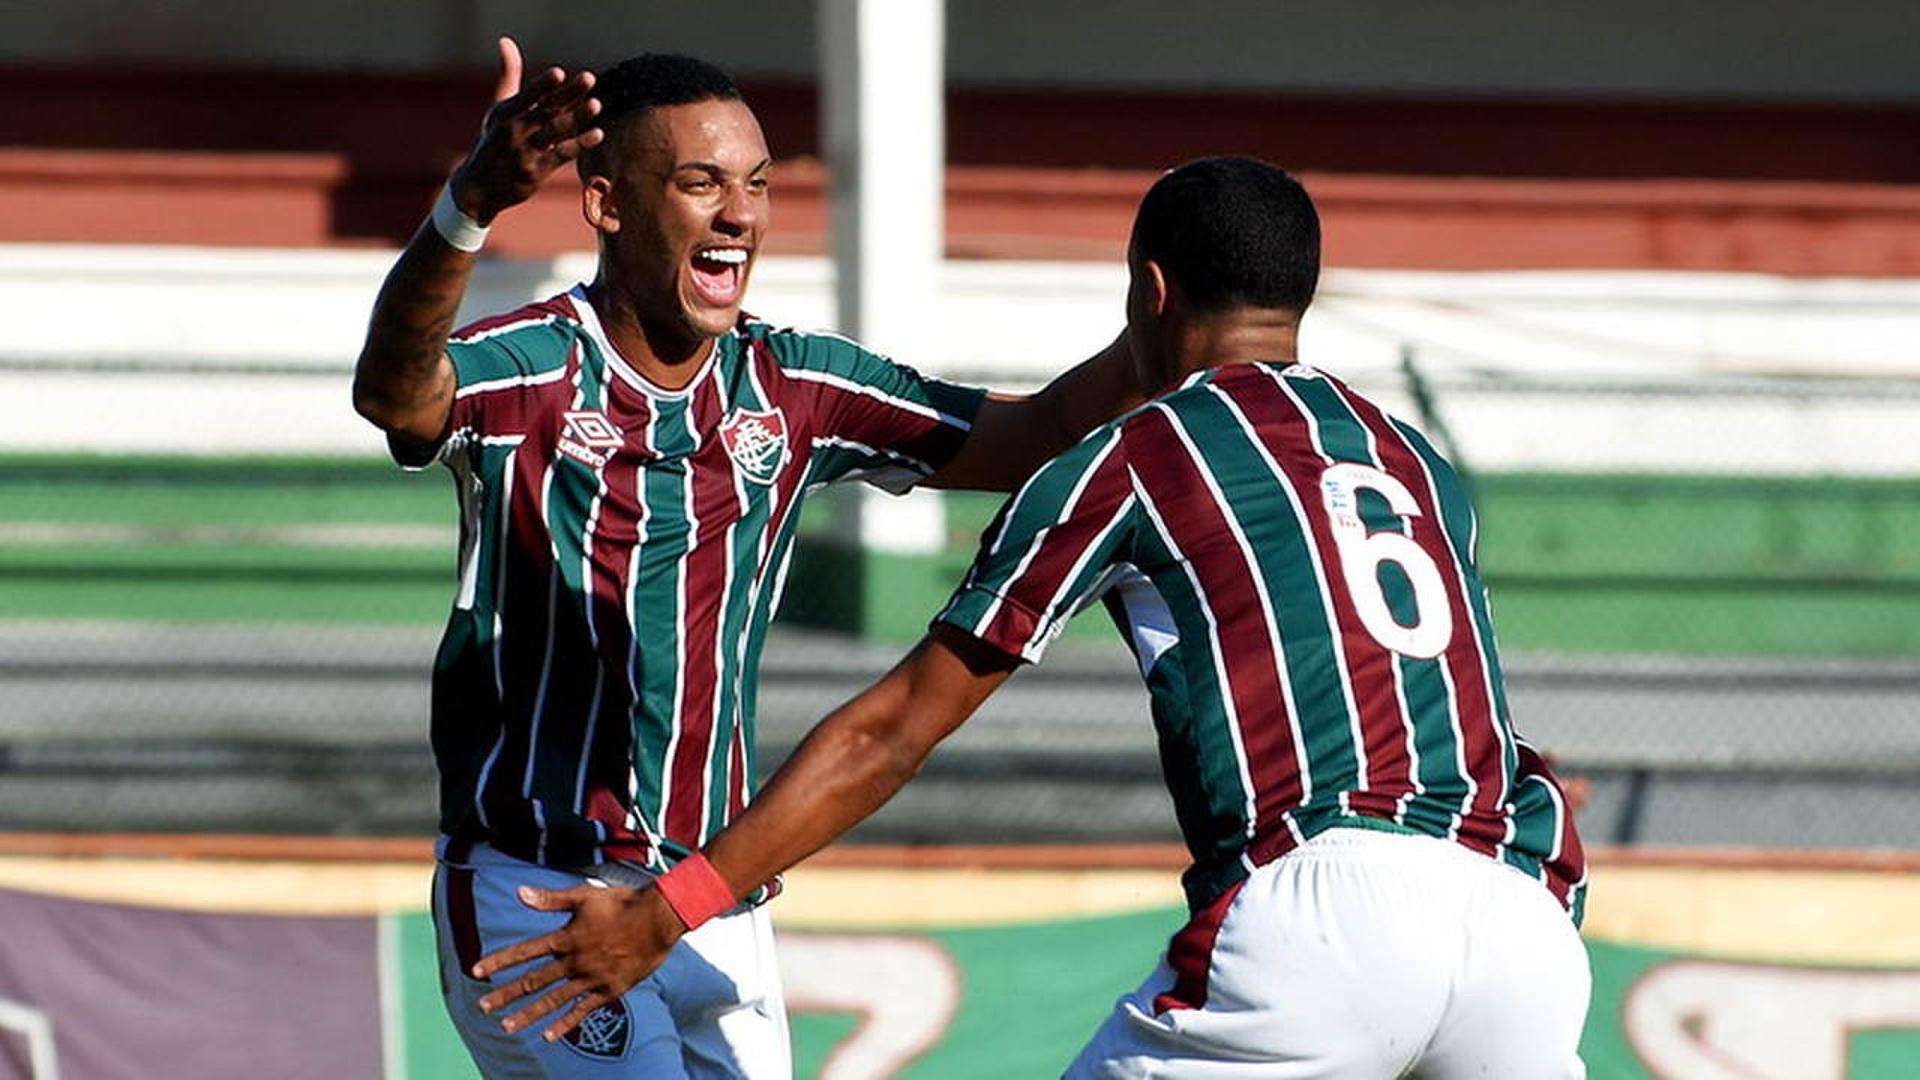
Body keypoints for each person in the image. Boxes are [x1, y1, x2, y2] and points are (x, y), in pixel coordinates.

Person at [472, 157, 1594, 1079]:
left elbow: (897, 726)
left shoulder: (1142, 454)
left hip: (1328, 913)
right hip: (1520, 923)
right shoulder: (1416, 461)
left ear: (1148, 293)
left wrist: (671, 910)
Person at [351, 38, 1140, 1079]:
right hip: (537, 889)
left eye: (757, 184)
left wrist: (1172, 328)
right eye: (700, 182)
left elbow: (1033, 433)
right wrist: (468, 205)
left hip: (709, 904)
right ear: (607, 205)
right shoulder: (534, 368)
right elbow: (397, 397)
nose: (740, 215)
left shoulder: (791, 384)